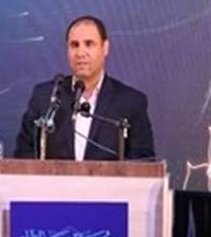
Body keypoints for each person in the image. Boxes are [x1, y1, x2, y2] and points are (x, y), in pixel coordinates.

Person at [13, 16, 155, 160]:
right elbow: (24, 155)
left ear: (105, 48)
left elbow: (143, 162)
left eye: (89, 44)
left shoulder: (130, 102)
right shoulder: (45, 97)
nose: (80, 53)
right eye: (74, 45)